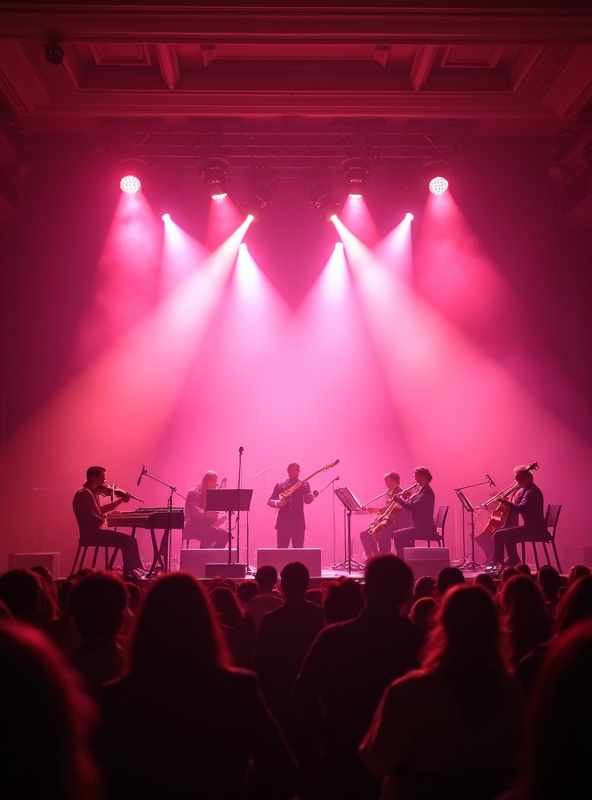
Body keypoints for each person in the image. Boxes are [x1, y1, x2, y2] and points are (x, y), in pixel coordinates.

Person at [93, 572, 298, 800]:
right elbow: (283, 772)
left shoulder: (114, 697)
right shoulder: (238, 689)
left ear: (144, 624)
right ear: (205, 623)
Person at [359, 584, 526, 800]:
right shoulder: (512, 690)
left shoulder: (409, 692)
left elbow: (377, 761)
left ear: (442, 625)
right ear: (496, 627)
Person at [294, 554, 426, 800]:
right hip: (402, 761)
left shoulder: (333, 637)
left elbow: (302, 694)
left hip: (343, 755)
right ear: (407, 595)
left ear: (365, 590)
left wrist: (327, 734)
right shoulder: (421, 641)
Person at [72, 466, 144, 579]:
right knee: (129, 541)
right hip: (92, 535)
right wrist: (103, 518)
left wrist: (120, 501)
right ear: (93, 478)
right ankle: (129, 573)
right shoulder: (84, 493)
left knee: (130, 541)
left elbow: (99, 510)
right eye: (103, 478)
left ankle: (131, 571)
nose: (105, 481)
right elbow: (94, 517)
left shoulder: (90, 492)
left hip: (94, 533)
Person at [491, 466, 549, 569]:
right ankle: (513, 560)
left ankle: (498, 564)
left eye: (519, 481)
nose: (518, 484)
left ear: (526, 479)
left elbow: (522, 508)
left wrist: (505, 503)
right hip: (535, 528)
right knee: (506, 533)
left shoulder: (531, 492)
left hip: (534, 530)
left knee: (498, 534)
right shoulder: (530, 490)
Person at [476, 465, 525, 565]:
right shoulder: (517, 491)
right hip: (508, 519)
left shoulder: (522, 491)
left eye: (516, 477)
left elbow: (517, 507)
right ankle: (503, 558)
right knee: (491, 533)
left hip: (513, 522)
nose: (514, 480)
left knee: (497, 533)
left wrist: (503, 502)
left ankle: (497, 561)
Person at [359, 471, 412, 559]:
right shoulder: (388, 493)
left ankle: (385, 558)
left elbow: (397, 511)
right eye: (385, 480)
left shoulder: (401, 493)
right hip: (389, 522)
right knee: (364, 534)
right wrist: (376, 510)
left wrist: (380, 515)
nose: (385, 482)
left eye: (387, 479)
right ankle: (374, 557)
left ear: (394, 480)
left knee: (382, 532)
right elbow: (387, 509)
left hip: (398, 523)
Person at [391, 466, 438, 559]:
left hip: (425, 529)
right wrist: (406, 497)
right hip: (418, 526)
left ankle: (402, 561)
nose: (414, 478)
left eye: (416, 476)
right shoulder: (420, 491)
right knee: (399, 535)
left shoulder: (426, 493)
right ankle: (408, 559)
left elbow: (413, 507)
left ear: (424, 477)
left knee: (398, 536)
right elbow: (412, 503)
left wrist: (399, 500)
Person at [268, 463, 318, 548]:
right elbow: (269, 501)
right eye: (291, 470)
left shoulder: (304, 484)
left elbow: (307, 501)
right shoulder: (280, 485)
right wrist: (277, 503)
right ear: (288, 471)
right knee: (281, 550)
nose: (294, 472)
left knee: (298, 550)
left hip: (298, 523)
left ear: (299, 471)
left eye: (296, 470)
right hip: (283, 523)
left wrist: (311, 497)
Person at [183, 470, 228, 549]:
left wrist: (220, 519)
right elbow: (194, 512)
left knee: (223, 535)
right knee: (223, 535)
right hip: (194, 527)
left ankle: (207, 555)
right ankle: (209, 555)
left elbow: (213, 520)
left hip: (207, 527)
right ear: (208, 481)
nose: (216, 485)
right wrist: (209, 514)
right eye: (215, 482)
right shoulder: (193, 493)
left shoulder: (211, 497)